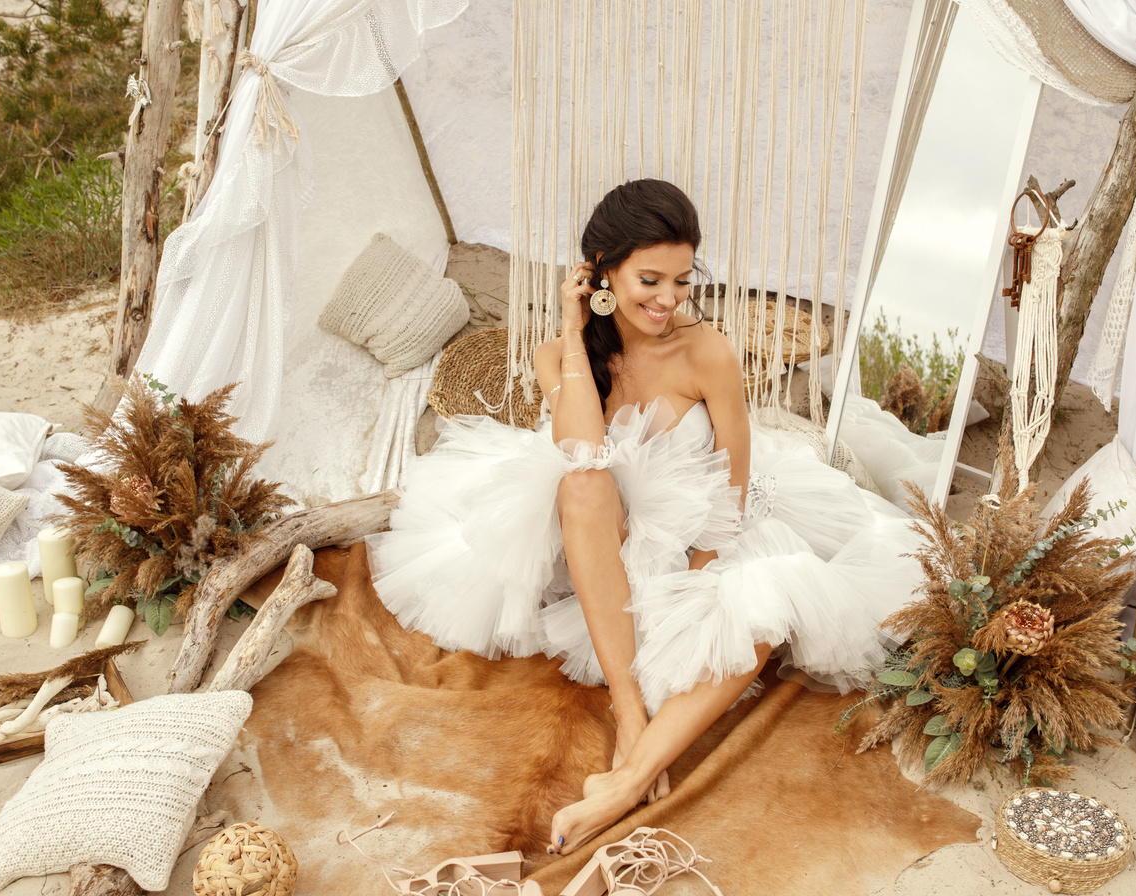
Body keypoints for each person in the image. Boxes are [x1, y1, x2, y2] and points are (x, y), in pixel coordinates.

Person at [366, 179, 924, 855]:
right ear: (600, 268)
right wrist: (574, 336)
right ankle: (630, 713)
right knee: (582, 483)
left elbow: (735, 485)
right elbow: (578, 448)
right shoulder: (557, 354)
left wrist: (697, 583)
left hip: (707, 527)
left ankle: (631, 777)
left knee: (765, 601)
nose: (667, 300)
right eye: (649, 280)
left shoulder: (707, 350)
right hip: (599, 540)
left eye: (683, 282)